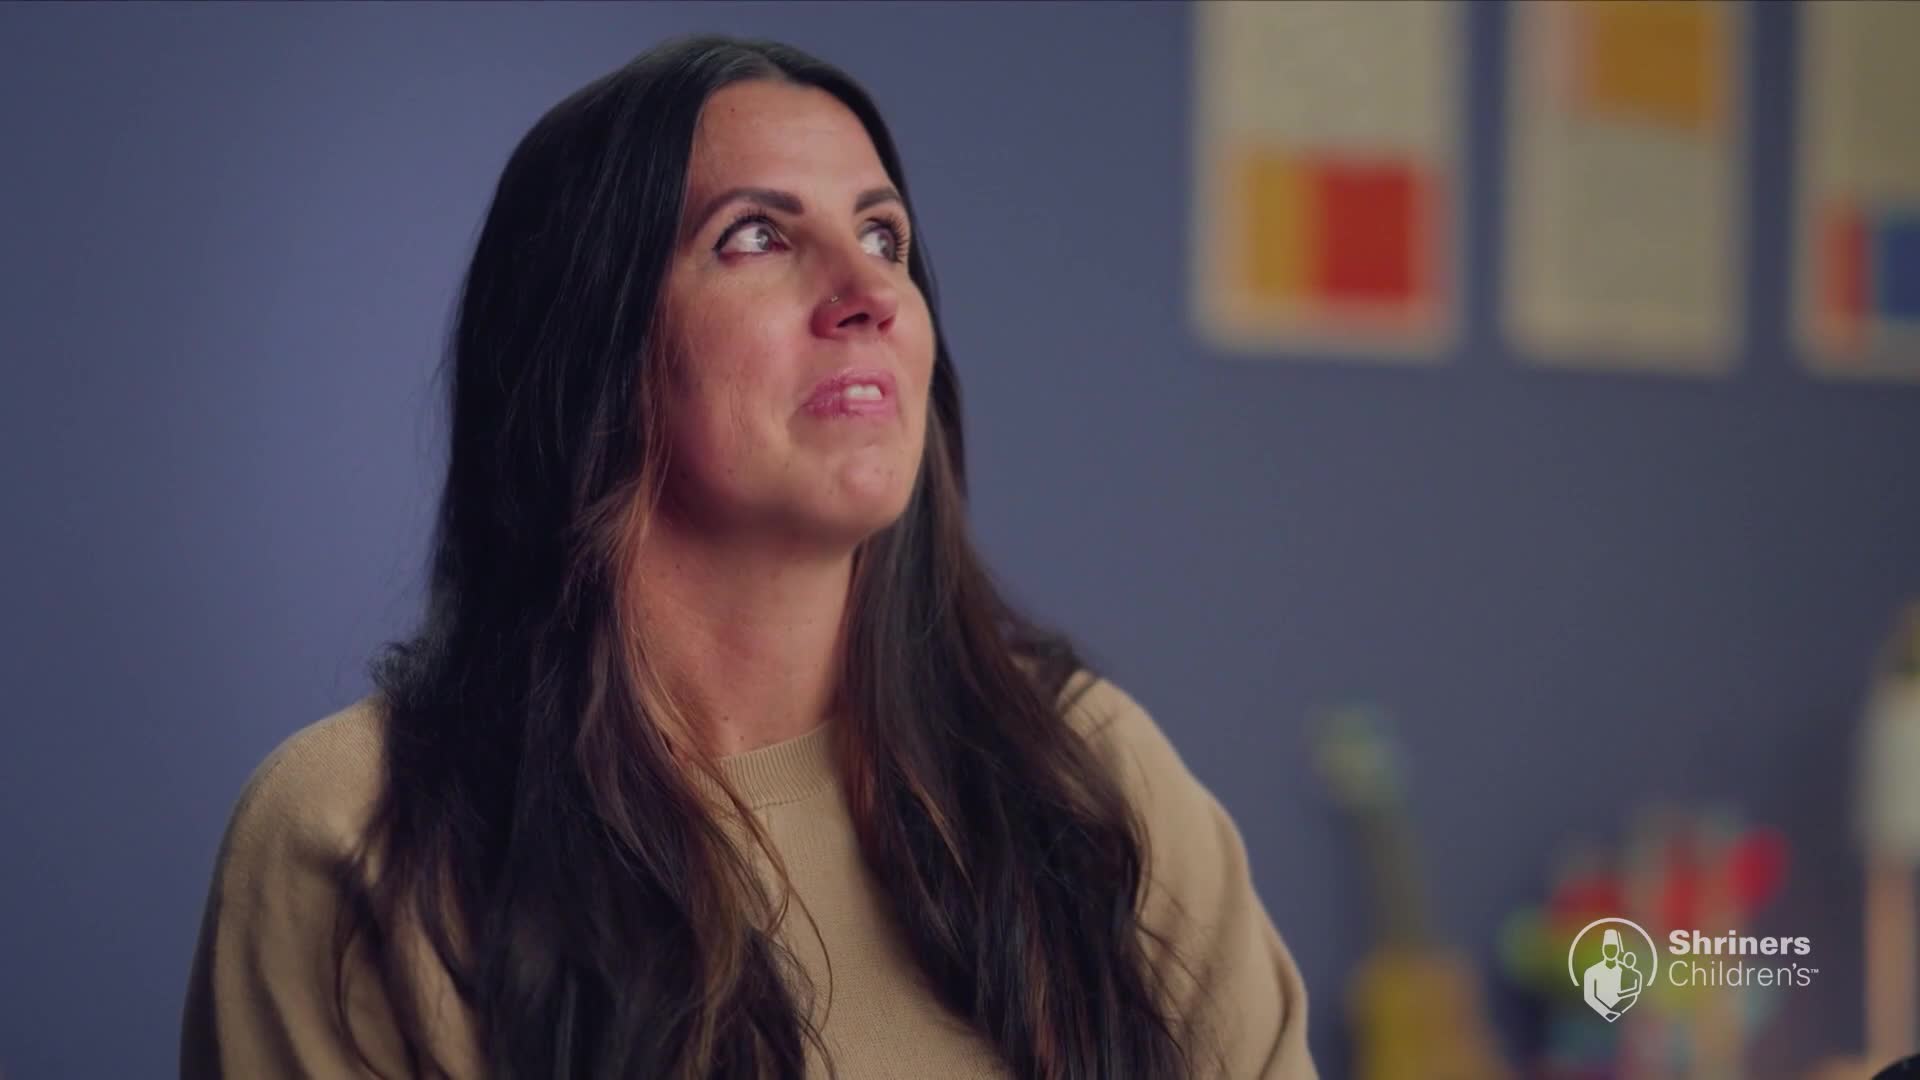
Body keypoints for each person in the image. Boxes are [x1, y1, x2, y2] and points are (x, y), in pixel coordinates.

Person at [179, 33, 1316, 1080]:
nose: (871, 292)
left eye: (885, 237)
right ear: (591, 348)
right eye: (758, 237)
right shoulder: (356, 835)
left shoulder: (1098, 780)